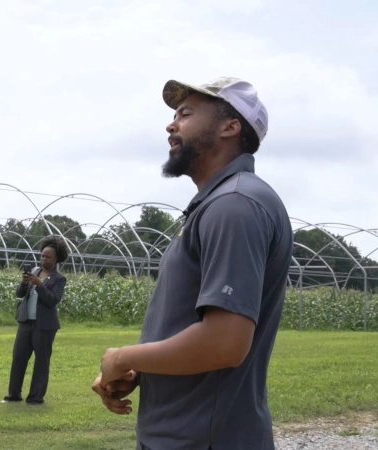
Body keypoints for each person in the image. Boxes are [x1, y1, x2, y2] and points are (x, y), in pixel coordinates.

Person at [92, 77, 292, 450]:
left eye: (185, 114)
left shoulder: (235, 206)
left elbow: (224, 343)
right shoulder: (216, 205)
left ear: (230, 127)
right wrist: (138, 370)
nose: (171, 124)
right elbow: (194, 331)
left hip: (202, 439)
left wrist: (122, 356)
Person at [3, 235, 69, 406]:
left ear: (56, 259)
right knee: (18, 358)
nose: (44, 259)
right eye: (42, 256)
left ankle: (35, 397)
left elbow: (52, 300)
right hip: (26, 322)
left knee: (41, 361)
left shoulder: (59, 278)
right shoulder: (34, 272)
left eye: (48, 257)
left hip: (45, 326)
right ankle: (13, 394)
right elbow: (19, 293)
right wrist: (25, 284)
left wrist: (39, 284)